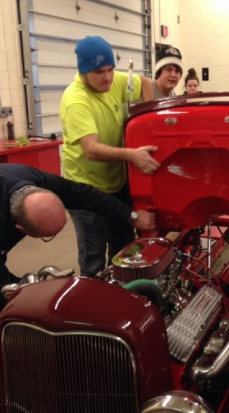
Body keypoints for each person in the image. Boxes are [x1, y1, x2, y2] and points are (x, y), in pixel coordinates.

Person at [0, 163, 156, 322]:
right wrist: (50, 297)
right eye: (47, 236)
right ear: (20, 229)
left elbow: (85, 195)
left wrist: (131, 215)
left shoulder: (35, 181)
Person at [59, 35, 158, 277]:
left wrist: (148, 121)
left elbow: (146, 83)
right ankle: (92, 294)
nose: (107, 78)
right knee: (93, 253)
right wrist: (132, 155)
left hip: (115, 182)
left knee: (124, 248)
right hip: (85, 186)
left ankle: (123, 290)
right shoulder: (76, 100)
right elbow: (91, 149)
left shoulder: (114, 82)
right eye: (99, 72)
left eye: (111, 69)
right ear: (83, 72)